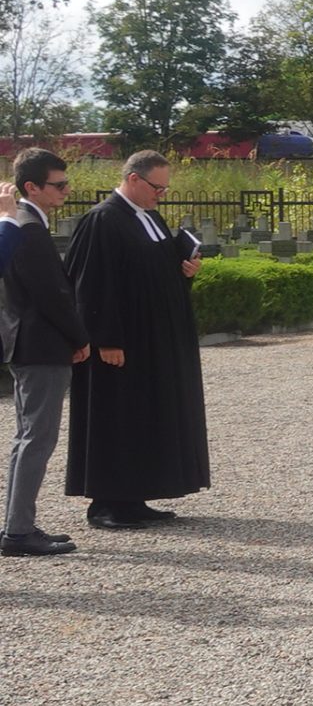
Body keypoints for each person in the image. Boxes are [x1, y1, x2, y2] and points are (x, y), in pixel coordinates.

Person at [64, 150, 208, 529]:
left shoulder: (150, 217)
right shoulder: (103, 220)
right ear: (133, 179)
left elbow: (154, 274)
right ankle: (107, 502)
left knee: (143, 416)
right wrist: (106, 339)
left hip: (153, 343)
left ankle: (135, 495)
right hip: (121, 344)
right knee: (117, 417)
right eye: (157, 187)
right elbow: (92, 285)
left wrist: (185, 270)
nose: (161, 194)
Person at [2, 155, 86, 557]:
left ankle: (17, 526)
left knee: (27, 438)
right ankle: (18, 532)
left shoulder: (22, 223)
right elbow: (51, 296)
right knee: (37, 438)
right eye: (59, 184)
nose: (66, 191)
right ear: (31, 187)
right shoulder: (29, 227)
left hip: (28, 344)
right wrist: (79, 336)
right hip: (41, 345)